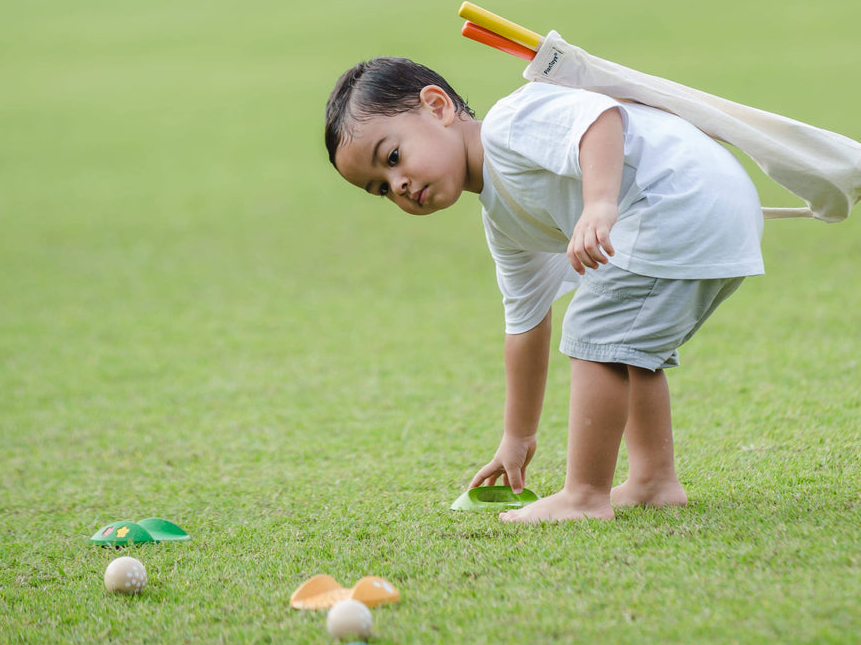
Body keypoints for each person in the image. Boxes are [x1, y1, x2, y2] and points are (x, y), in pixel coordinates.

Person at [324, 57, 764, 523]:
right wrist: (517, 438)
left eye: (392, 158)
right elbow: (525, 325)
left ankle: (584, 497)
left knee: (596, 330)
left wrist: (599, 203)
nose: (399, 185)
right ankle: (653, 480)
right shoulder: (504, 221)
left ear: (436, 107)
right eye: (381, 189)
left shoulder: (509, 124)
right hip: (711, 208)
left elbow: (599, 119)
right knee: (626, 343)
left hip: (680, 200)